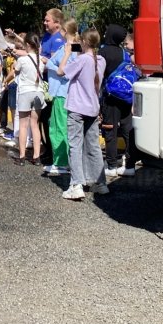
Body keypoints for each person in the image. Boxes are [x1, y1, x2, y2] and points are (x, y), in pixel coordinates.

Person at [62, 29, 109, 200]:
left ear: (85, 42)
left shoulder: (81, 60)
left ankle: (76, 185)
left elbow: (62, 72)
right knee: (93, 146)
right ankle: (100, 183)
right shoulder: (100, 60)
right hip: (92, 108)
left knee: (75, 145)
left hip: (77, 108)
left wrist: (67, 53)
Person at [100, 23, 140, 180]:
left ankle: (111, 166)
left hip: (110, 98)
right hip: (126, 97)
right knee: (127, 129)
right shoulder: (125, 53)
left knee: (110, 131)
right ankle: (129, 166)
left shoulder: (103, 52)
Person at [44, 19, 77, 176]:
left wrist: (50, 65)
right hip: (60, 92)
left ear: (64, 31)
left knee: (59, 129)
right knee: (58, 127)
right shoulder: (70, 47)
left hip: (62, 92)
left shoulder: (70, 49)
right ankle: (61, 161)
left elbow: (67, 71)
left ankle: (61, 163)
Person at [38, 8, 66, 165]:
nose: (44, 22)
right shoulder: (47, 37)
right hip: (44, 83)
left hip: (53, 87)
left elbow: (55, 63)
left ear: (57, 22)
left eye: (47, 20)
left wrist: (42, 60)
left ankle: (54, 154)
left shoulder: (58, 40)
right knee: (43, 119)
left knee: (50, 120)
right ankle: (48, 150)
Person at [10, 33, 44, 165]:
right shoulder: (40, 60)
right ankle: (36, 157)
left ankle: (22, 156)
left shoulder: (22, 60)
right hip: (39, 93)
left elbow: (16, 72)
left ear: (28, 45)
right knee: (34, 125)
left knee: (23, 125)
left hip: (25, 92)